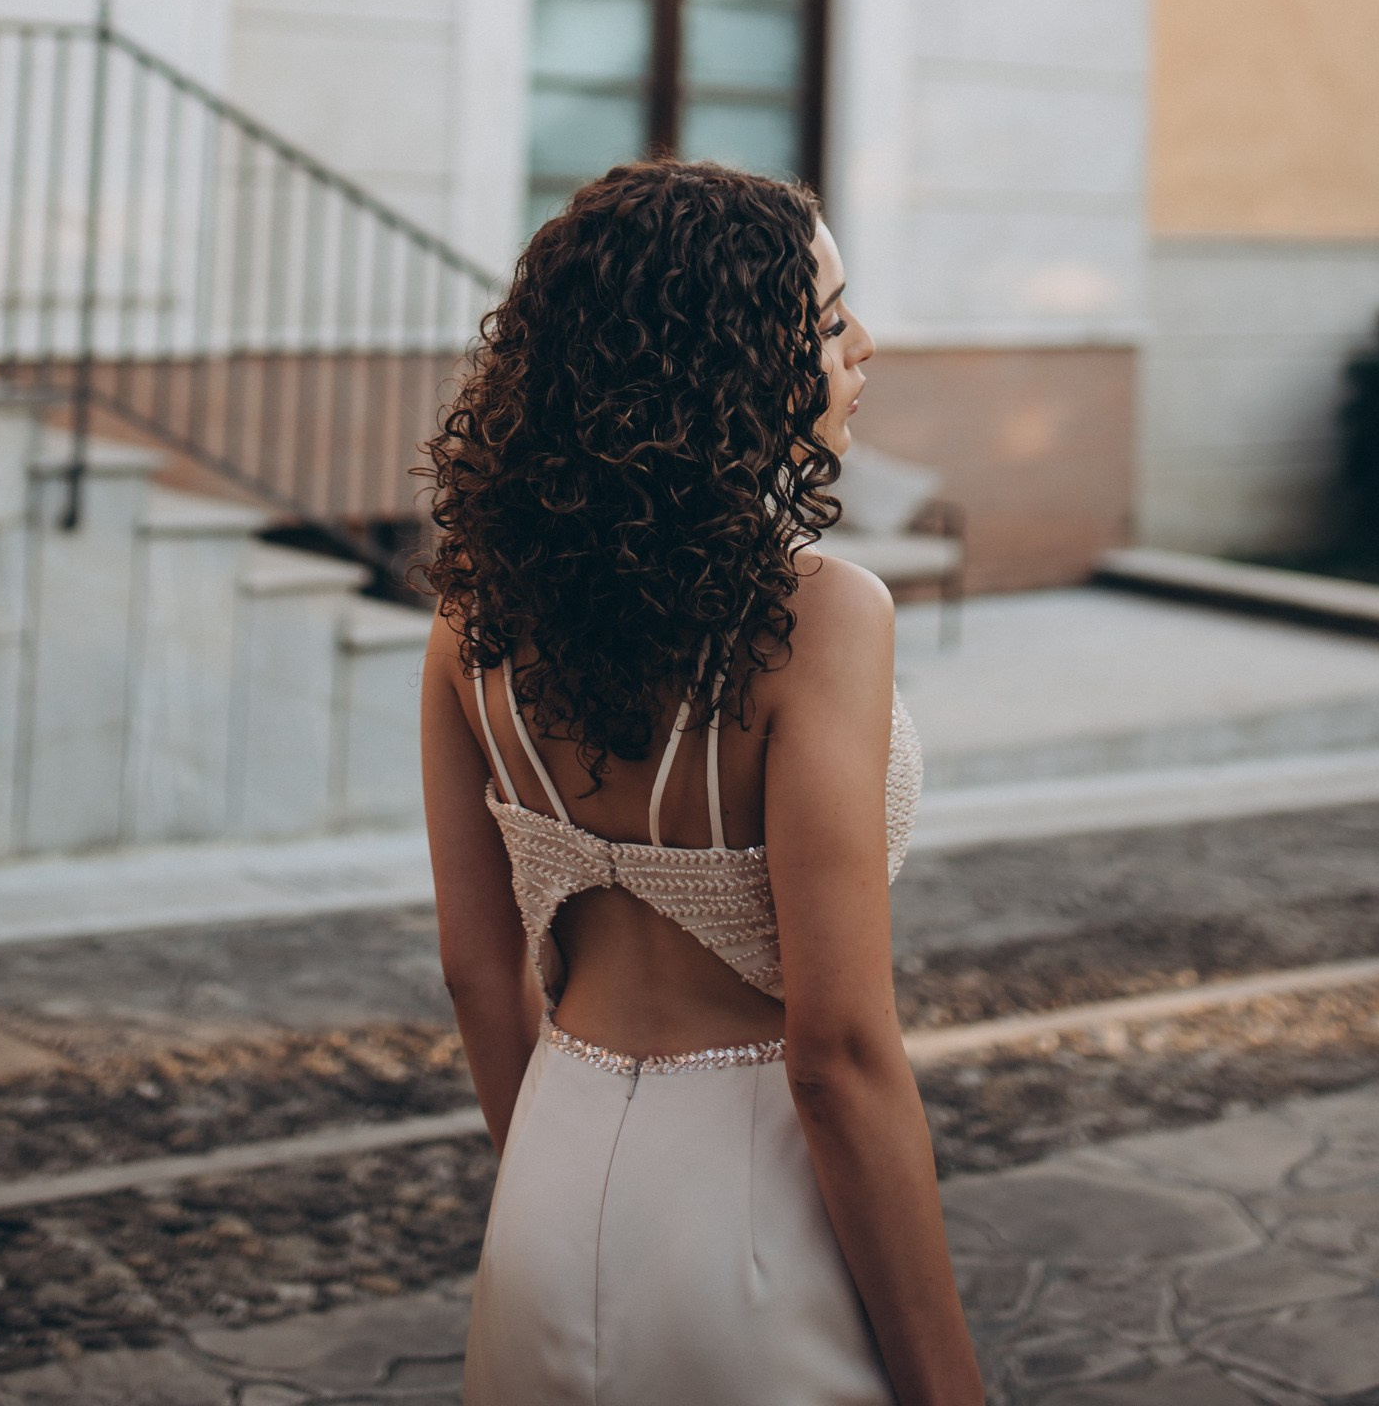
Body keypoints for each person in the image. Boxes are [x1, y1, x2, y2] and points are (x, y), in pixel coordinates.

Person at [421, 158, 985, 1406]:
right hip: (749, 1209)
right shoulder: (818, 620)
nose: (863, 345)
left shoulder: (474, 615)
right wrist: (950, 1388)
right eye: (830, 321)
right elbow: (835, 1054)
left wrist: (554, 1186)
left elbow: (474, 967)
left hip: (549, 1176)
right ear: (731, 361)